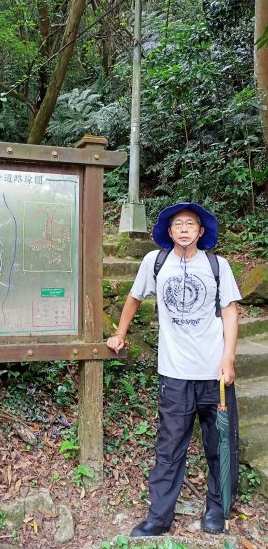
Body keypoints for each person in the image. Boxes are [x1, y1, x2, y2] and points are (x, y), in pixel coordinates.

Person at [107, 202, 241, 538]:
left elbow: (230, 312)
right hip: (175, 373)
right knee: (169, 447)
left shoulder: (216, 265)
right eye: (178, 224)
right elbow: (134, 298)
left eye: (190, 224)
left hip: (214, 374)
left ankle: (217, 508)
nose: (183, 229)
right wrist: (120, 334)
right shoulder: (156, 262)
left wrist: (228, 359)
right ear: (169, 232)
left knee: (219, 442)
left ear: (200, 231)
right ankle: (159, 516)